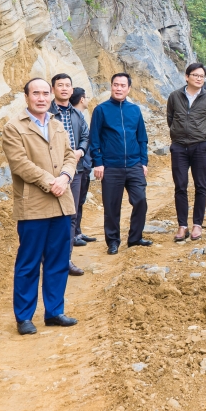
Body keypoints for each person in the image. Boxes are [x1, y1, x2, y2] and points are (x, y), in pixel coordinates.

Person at [2, 78, 81, 335]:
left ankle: (54, 312)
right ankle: (24, 317)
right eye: (36, 93)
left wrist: (65, 177)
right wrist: (51, 182)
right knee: (29, 262)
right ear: (26, 97)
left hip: (61, 202)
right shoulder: (14, 127)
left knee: (58, 260)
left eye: (45, 93)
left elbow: (70, 155)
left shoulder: (57, 125)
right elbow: (20, 163)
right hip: (33, 205)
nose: (41, 98)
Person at [90, 72, 150, 255]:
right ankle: (113, 241)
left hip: (134, 165)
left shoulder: (135, 110)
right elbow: (94, 139)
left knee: (140, 200)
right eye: (116, 85)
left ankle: (135, 238)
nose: (119, 88)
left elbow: (142, 138)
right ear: (111, 86)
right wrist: (98, 162)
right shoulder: (101, 110)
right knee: (111, 207)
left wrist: (143, 162)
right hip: (111, 166)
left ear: (129, 88)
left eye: (123, 85)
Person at [166, 63, 206, 242]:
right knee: (180, 186)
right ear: (186, 76)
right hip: (179, 147)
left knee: (201, 186)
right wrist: (178, 133)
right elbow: (170, 118)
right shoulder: (174, 96)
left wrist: (202, 135)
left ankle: (197, 224)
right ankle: (182, 226)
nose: (198, 78)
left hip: (199, 147)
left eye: (201, 76)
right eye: (195, 75)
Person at [50, 74, 91, 269]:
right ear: (53, 89)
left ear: (72, 90)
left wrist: (80, 150)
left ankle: (65, 260)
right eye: (60, 85)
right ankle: (49, 260)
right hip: (52, 170)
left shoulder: (77, 114)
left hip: (76, 170)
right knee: (50, 216)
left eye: (68, 85)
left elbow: (85, 136)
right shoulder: (47, 112)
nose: (64, 88)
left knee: (71, 214)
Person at [71, 88, 97, 244]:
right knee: (74, 201)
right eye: (86, 97)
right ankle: (73, 235)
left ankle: (78, 232)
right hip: (77, 165)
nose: (87, 100)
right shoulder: (72, 117)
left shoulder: (80, 116)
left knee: (80, 200)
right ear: (81, 99)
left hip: (84, 165)